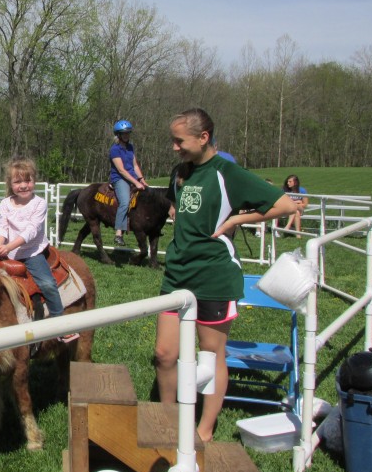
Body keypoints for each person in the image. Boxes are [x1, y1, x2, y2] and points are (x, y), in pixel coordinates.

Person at [154, 108, 296, 443]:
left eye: (179, 141)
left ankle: (204, 429)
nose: (174, 147)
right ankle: (166, 420)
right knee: (164, 354)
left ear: (203, 138)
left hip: (214, 277)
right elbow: (180, 206)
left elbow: (285, 205)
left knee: (211, 354)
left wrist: (235, 221)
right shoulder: (180, 173)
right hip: (176, 275)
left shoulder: (227, 172)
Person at [0, 158, 78, 343]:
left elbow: (31, 231)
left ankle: (59, 324)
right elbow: (2, 226)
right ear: (10, 184)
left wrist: (8, 246)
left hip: (32, 252)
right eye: (18, 182)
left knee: (47, 285)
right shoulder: (6, 203)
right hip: (8, 251)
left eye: (27, 180)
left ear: (34, 181)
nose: (23, 185)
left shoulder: (39, 204)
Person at [108, 120, 148, 247]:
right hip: (120, 178)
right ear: (118, 135)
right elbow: (121, 170)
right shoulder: (115, 150)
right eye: (124, 133)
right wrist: (136, 182)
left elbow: (135, 165)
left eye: (128, 133)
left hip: (133, 177)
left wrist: (141, 179)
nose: (126, 136)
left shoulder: (131, 147)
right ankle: (119, 233)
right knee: (125, 202)